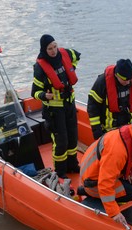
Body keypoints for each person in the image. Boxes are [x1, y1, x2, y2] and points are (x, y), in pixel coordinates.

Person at [79, 116, 132, 227]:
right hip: (92, 180)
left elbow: (131, 157)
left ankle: (87, 191)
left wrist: (129, 174)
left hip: (94, 172)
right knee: (130, 193)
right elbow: (105, 183)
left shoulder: (127, 134)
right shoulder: (117, 151)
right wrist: (114, 212)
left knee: (129, 184)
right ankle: (90, 193)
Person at [31, 34, 81, 179]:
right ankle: (60, 171)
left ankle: (72, 165)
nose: (53, 51)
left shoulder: (66, 54)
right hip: (54, 111)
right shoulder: (40, 68)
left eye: (54, 47)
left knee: (72, 137)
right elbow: (35, 92)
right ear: (44, 49)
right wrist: (44, 96)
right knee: (61, 141)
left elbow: (77, 56)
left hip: (69, 105)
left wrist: (73, 67)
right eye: (49, 49)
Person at [87, 59, 132, 140]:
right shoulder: (102, 82)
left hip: (130, 129)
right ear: (117, 75)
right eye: (125, 80)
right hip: (108, 131)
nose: (128, 82)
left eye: (129, 80)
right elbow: (93, 107)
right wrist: (97, 132)